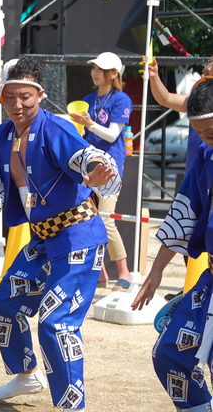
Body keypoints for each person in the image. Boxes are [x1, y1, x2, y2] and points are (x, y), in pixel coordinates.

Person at [0, 56, 120, 412]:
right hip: (43, 241)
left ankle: (71, 405)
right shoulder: (1, 135)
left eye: (25, 96)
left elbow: (85, 156)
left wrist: (96, 172)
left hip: (79, 238)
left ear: (40, 94)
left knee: (56, 324)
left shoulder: (55, 128)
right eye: (9, 96)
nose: (17, 104)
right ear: (1, 96)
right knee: (4, 305)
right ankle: (26, 373)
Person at [132, 77, 213, 412]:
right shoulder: (206, 160)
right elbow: (185, 214)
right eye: (203, 135)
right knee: (169, 353)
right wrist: (155, 271)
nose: (208, 140)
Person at [70, 52, 132, 290]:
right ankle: (102, 274)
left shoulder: (121, 99)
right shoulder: (88, 98)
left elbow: (113, 134)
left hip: (110, 167)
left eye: (100, 69)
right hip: (87, 167)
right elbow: (85, 135)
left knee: (106, 219)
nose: (94, 72)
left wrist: (89, 124)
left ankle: (124, 272)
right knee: (86, 219)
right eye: (93, 67)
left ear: (114, 74)